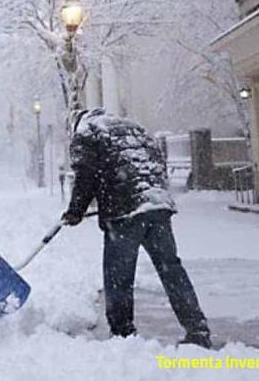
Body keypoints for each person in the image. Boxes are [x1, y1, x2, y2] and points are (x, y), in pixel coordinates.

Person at [61, 108, 211, 349]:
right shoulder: (133, 128)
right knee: (171, 270)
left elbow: (86, 174)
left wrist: (75, 210)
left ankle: (123, 335)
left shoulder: (87, 132)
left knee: (118, 276)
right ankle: (198, 329)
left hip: (125, 213)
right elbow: (155, 162)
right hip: (157, 203)